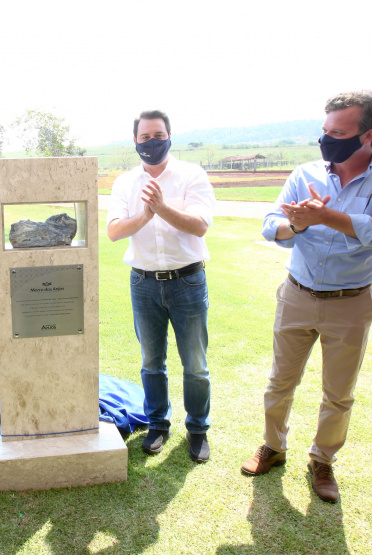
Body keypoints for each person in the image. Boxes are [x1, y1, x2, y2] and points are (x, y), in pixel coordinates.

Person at [241, 90, 372, 503]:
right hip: (297, 294)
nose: (327, 140)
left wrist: (326, 216)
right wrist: (296, 226)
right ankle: (274, 446)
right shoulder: (305, 173)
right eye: (324, 131)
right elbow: (271, 226)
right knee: (280, 382)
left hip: (351, 302)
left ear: (368, 135)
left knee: (338, 392)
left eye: (338, 132)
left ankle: (323, 460)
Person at [106, 110, 216, 463]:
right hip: (144, 283)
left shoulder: (191, 175)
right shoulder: (125, 182)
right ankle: (158, 424)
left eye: (158, 135)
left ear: (170, 136)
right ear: (135, 141)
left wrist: (162, 207)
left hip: (187, 280)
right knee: (152, 362)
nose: (151, 142)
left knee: (195, 363)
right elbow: (114, 231)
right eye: (144, 137)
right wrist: (146, 215)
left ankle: (197, 430)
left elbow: (199, 225)